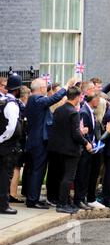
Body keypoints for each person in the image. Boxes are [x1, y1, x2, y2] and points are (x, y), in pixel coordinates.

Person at [25, 77, 76, 209]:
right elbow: (53, 99)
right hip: (39, 141)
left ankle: (32, 197)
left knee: (34, 171)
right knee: (38, 171)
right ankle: (32, 200)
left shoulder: (33, 100)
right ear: (42, 89)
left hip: (34, 140)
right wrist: (66, 86)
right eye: (46, 87)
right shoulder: (36, 99)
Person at [48, 87, 92, 214]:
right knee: (68, 177)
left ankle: (64, 201)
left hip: (57, 149)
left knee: (62, 176)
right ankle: (62, 204)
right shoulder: (73, 112)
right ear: (77, 97)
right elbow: (76, 134)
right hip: (70, 150)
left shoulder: (58, 110)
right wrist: (86, 143)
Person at [73, 92, 101, 210]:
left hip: (91, 147)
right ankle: (78, 199)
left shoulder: (90, 111)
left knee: (87, 174)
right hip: (84, 149)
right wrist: (88, 143)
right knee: (82, 175)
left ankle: (82, 198)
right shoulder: (84, 111)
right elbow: (83, 131)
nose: (99, 101)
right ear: (93, 99)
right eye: (97, 99)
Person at [0, 74, 23, 214]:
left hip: (3, 144)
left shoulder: (3, 100)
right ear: (17, 90)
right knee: (5, 175)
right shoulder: (12, 104)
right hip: (7, 145)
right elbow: (11, 127)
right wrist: (2, 138)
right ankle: (3, 205)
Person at [9, 85, 30, 204]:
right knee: (16, 167)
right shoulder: (21, 107)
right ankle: (13, 194)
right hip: (19, 141)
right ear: (25, 96)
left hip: (14, 141)